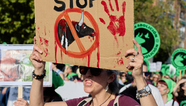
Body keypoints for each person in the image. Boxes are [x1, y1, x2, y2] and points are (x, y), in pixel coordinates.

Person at [28, 37, 157, 106]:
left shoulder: (123, 102)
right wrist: (39, 70)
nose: (87, 74)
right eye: (83, 69)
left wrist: (139, 78)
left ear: (111, 78)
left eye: (95, 71)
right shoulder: (80, 103)